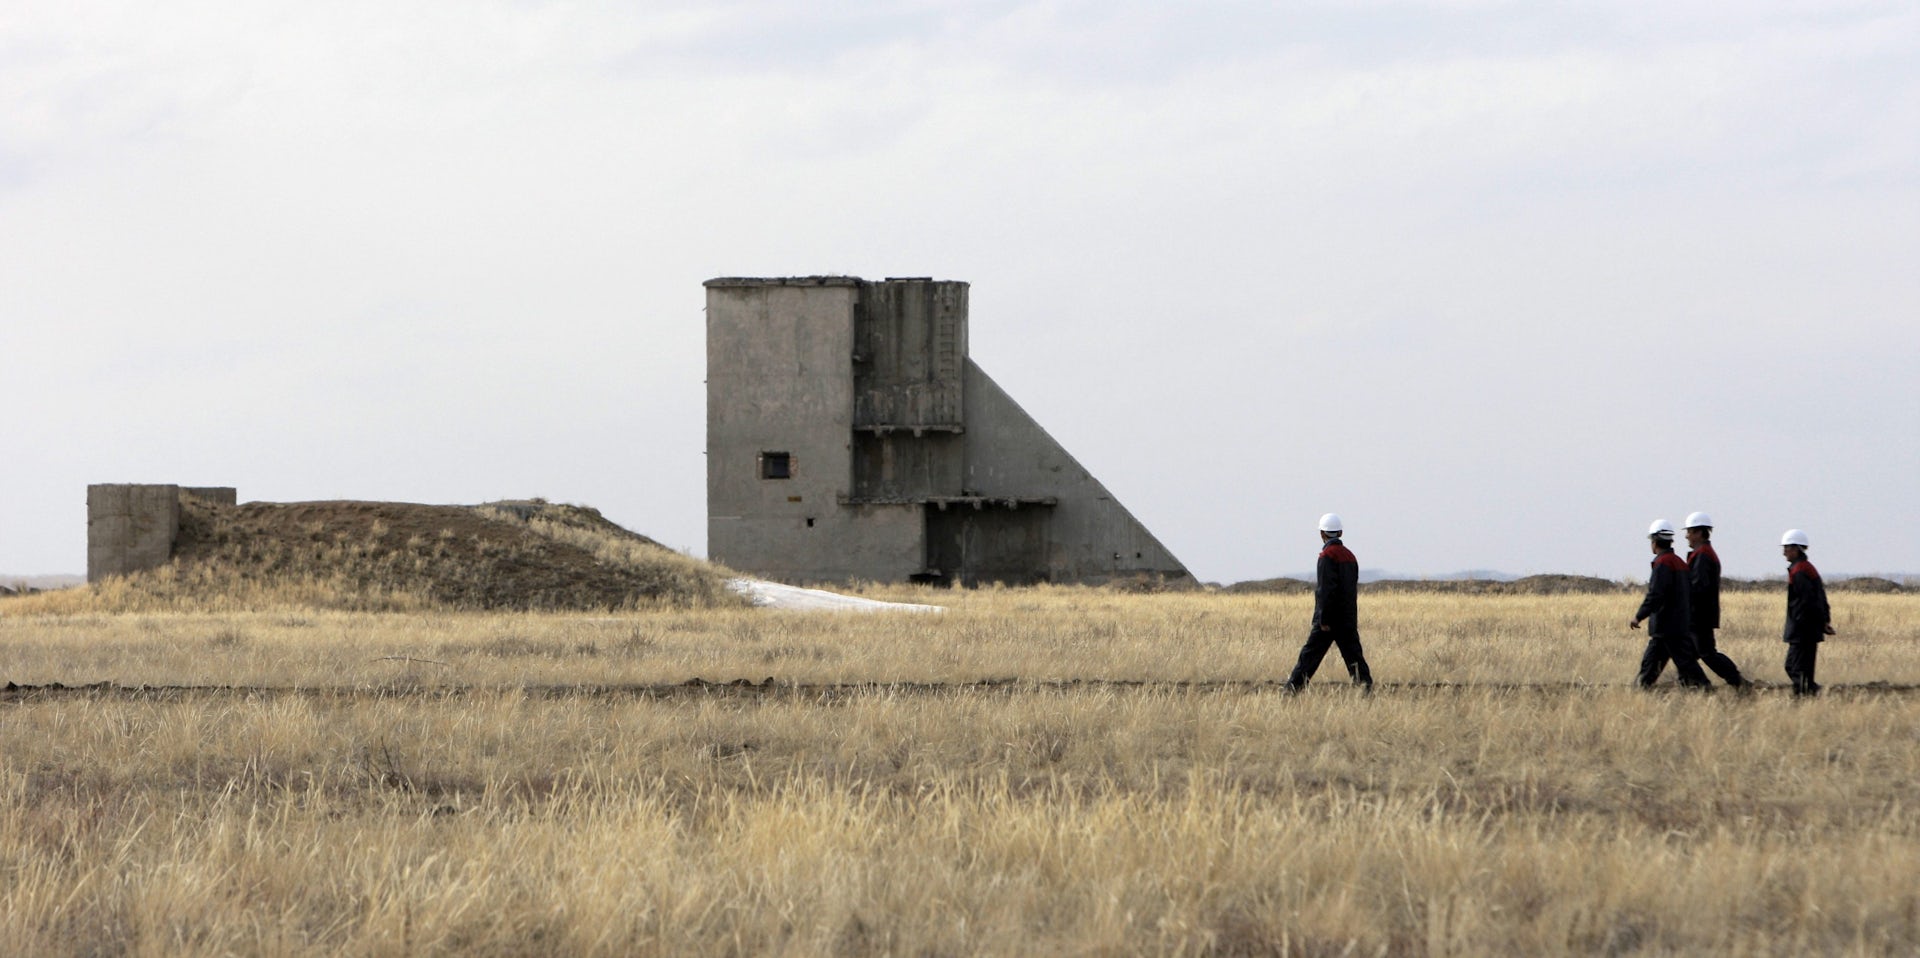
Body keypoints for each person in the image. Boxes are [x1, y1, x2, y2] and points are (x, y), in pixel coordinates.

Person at [1286, 513, 1373, 691]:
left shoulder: (1327, 556)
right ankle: (1366, 690)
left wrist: (1324, 619)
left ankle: (1292, 690)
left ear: (1322, 534)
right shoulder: (1350, 556)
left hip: (1329, 620)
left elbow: (1326, 590)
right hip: (1347, 618)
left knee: (1309, 657)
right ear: (1340, 533)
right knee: (1354, 658)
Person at [1628, 519, 1710, 688]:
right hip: (1679, 625)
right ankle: (1702, 688)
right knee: (1680, 663)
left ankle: (1705, 688)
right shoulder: (1679, 562)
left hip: (1665, 626)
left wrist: (1639, 616)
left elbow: (1656, 594)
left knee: (1662, 664)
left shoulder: (1663, 563)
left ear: (1655, 541)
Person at [1683, 512, 1747, 688]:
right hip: (1700, 613)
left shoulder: (1703, 555)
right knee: (1689, 654)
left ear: (1698, 533)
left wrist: (1687, 606)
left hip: (1699, 614)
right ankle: (1690, 684)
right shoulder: (1702, 553)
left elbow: (1698, 587)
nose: (1686, 535)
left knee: (1706, 653)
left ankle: (1737, 681)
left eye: (1689, 531)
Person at [1780, 529, 1835, 696]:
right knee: (1800, 670)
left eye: (1787, 548)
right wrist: (1823, 621)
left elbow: (1807, 602)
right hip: (1807, 629)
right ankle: (1804, 699)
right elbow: (1820, 599)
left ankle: (1813, 695)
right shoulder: (1805, 568)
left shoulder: (1800, 571)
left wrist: (1803, 624)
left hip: (1803, 631)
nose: (1784, 553)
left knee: (1795, 668)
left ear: (1796, 549)